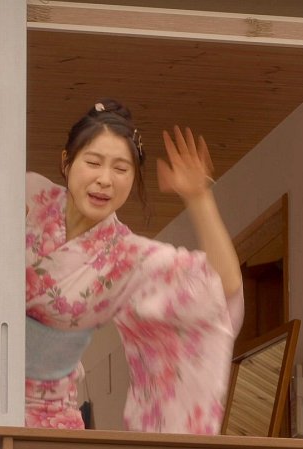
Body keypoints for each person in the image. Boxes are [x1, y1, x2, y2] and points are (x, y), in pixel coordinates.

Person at [25, 98, 244, 434]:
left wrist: (198, 197)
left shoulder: (127, 257)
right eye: (93, 162)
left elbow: (220, 285)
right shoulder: (27, 197)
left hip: (48, 418)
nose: (105, 179)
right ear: (66, 162)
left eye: (120, 169)